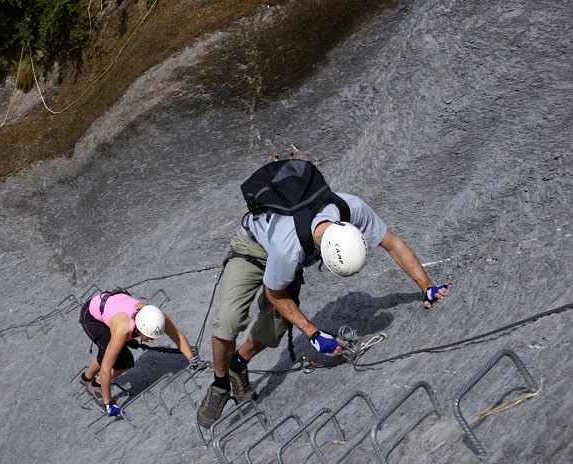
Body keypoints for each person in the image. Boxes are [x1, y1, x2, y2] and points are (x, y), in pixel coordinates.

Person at [196, 176, 452, 428]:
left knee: (273, 329)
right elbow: (274, 294)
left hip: (288, 252)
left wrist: (427, 287)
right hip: (253, 248)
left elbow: (393, 244)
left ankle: (237, 364)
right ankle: (220, 384)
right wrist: (314, 334)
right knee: (229, 320)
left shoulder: (351, 208)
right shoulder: (290, 248)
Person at [79, 290, 197, 417]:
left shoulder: (156, 317)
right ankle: (95, 384)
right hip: (93, 316)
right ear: (139, 328)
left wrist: (192, 358)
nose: (151, 340)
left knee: (109, 352)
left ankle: (86, 377)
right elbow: (106, 369)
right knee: (123, 362)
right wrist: (109, 404)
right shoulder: (123, 329)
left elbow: (176, 335)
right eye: (149, 337)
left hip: (110, 306)